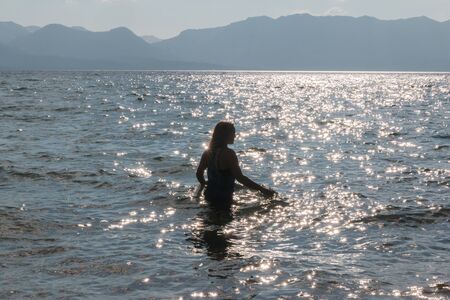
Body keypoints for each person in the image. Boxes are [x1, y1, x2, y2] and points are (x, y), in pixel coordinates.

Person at [196, 121, 275, 209]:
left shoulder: (207, 153)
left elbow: (199, 174)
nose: (235, 136)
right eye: (233, 133)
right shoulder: (229, 153)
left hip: (209, 196)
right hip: (224, 199)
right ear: (225, 135)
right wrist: (262, 189)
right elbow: (240, 178)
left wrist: (204, 183)